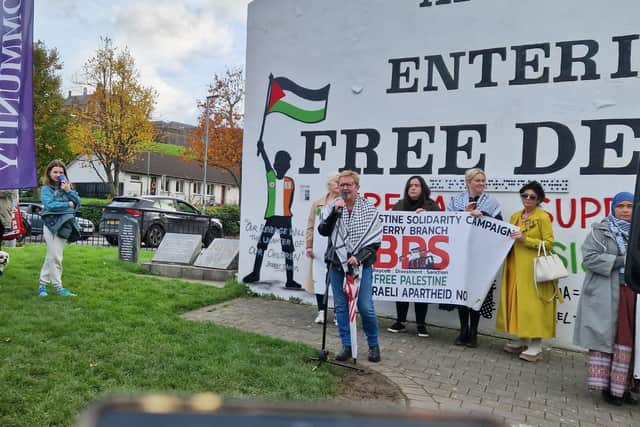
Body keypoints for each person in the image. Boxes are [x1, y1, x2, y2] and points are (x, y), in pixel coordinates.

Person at [573, 192, 638, 406]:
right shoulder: (601, 230)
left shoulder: (637, 232)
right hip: (608, 292)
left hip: (633, 293)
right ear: (613, 208)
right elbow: (590, 258)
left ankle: (625, 387)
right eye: (621, 206)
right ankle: (608, 388)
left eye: (630, 206)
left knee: (630, 341)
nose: (626, 210)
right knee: (609, 338)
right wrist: (623, 260)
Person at [318, 170, 383, 362]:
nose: (345, 188)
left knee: (364, 306)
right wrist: (334, 214)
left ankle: (373, 345)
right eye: (342, 185)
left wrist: (359, 257)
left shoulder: (369, 209)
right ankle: (346, 345)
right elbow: (323, 230)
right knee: (341, 307)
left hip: (361, 265)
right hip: (337, 263)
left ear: (357, 187)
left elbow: (374, 242)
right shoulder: (332, 206)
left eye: (349, 184)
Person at [496, 181, 557, 362]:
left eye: (532, 197)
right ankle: (522, 338)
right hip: (515, 266)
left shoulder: (543, 217)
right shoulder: (515, 216)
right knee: (516, 302)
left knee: (534, 306)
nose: (528, 199)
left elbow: (549, 243)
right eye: (525, 195)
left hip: (534, 269)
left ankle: (536, 344)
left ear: (539, 199)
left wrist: (526, 239)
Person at [447, 168, 502, 347]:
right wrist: (465, 213)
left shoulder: (492, 204)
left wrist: (483, 215)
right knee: (462, 293)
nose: (481, 184)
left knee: (477, 293)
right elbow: (447, 223)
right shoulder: (456, 201)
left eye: (483, 180)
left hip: (481, 256)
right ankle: (463, 330)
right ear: (469, 182)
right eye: (477, 180)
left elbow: (499, 227)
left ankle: (474, 332)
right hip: (461, 254)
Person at [243, 140, 302, 290]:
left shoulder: (290, 182)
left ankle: (290, 280)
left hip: (285, 218)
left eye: (285, 164)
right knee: (262, 245)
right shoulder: (271, 177)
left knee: (288, 249)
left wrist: (285, 213)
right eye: (281, 163)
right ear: (276, 165)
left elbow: (290, 201)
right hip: (272, 218)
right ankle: (256, 273)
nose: (283, 167)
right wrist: (262, 150)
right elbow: (266, 164)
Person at [387, 176, 441, 337]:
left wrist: (428, 216)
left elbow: (442, 225)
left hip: (423, 253)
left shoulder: (432, 206)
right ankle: (400, 321)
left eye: (417, 185)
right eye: (410, 185)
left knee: (420, 289)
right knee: (402, 287)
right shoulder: (399, 205)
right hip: (403, 253)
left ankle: (421, 324)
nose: (413, 188)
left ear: (423, 188)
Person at [38, 160, 81, 297]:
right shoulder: (46, 189)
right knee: (56, 256)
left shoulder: (68, 188)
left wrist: (69, 192)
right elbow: (50, 205)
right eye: (55, 172)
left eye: (61, 172)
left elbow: (78, 203)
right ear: (49, 173)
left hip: (65, 225)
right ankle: (58, 287)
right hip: (51, 225)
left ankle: (42, 285)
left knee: (52, 255)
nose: (58, 174)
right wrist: (68, 204)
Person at [305, 173, 340, 324]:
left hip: (338, 248)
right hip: (319, 248)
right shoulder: (318, 203)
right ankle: (321, 311)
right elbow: (311, 225)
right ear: (329, 185)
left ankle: (339, 314)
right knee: (320, 279)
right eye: (336, 182)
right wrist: (309, 246)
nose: (339, 184)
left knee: (338, 281)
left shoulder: (345, 203)